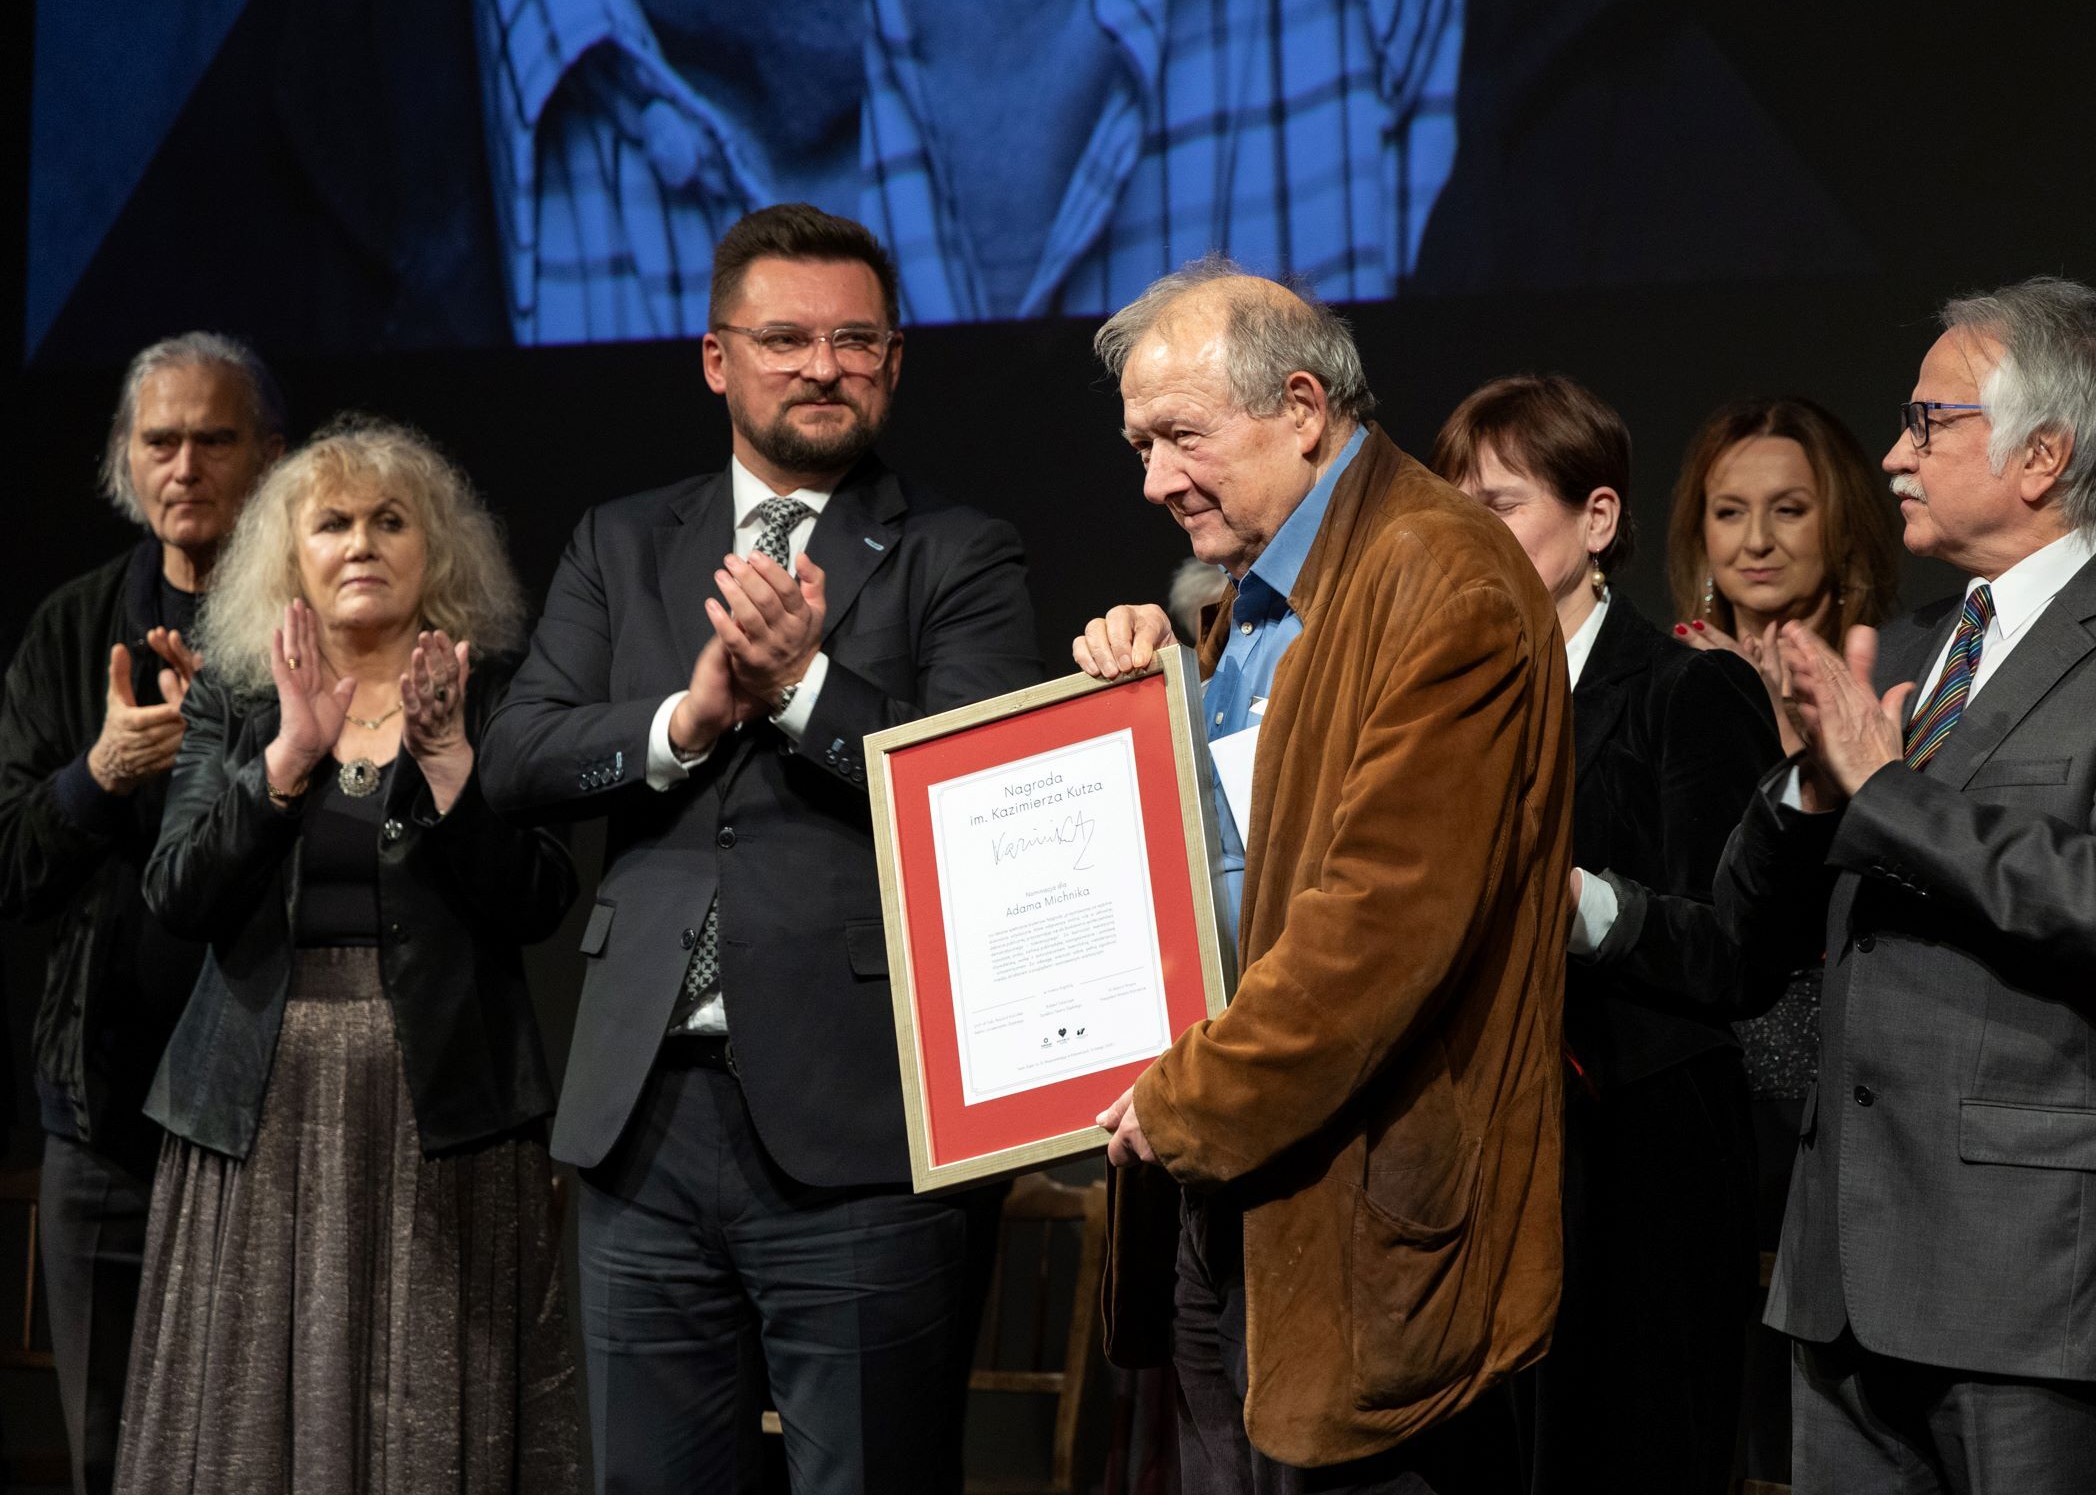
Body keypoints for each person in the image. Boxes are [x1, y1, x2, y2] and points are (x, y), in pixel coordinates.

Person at [480, 202, 1041, 1491]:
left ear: (895, 361)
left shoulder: (958, 552)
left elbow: (981, 787)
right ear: (716, 359)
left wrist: (800, 689)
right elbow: (517, 757)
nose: (822, 365)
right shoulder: (624, 542)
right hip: (645, 1115)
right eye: (785, 337)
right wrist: (687, 719)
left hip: (862, 1127)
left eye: (856, 339)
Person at [1713, 276, 2096, 1492]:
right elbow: (1749, 932)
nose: (1896, 455)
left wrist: (1886, 789)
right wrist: (1811, 788)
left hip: (2027, 1272)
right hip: (1840, 1264)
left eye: (1928, 422)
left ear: (2042, 455)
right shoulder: (1901, 650)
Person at [1072, 259, 1573, 1492]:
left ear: (1302, 406)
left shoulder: (1438, 574)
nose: (1153, 480)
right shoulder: (1256, 591)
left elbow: (1377, 930)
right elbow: (1242, 859)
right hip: (1232, 1194)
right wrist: (1145, 701)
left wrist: (1186, 1101)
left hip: (1357, 1216)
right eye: (1139, 445)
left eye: (1180, 436)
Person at [121, 415, 579, 1491]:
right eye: (333, 523)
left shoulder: (498, 693)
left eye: (389, 521)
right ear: (294, 554)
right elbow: (176, 894)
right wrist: (283, 762)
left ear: (438, 551)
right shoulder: (238, 700)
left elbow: (539, 899)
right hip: (257, 1106)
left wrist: (453, 764)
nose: (361, 542)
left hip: (444, 1111)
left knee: (427, 1417)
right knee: (248, 1431)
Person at [1432, 374, 1781, 1494]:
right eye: (1456, 509)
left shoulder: (1687, 691)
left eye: (1501, 504)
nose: (1469, 535)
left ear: (1596, 521)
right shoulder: (1439, 701)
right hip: (1483, 1152)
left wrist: (1580, 904)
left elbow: (1736, 944)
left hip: (1641, 1161)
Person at [0, 332, 283, 1494]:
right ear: (125, 458)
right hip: (105, 1125)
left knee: (269, 1452)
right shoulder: (73, 631)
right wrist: (98, 774)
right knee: (112, 1457)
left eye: (214, 439)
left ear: (268, 456)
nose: (185, 465)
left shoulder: (311, 625)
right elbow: (11, 867)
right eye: (159, 441)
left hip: (275, 1122)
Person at [1663, 394, 1900, 1481]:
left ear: (1841, 527)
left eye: (1788, 510)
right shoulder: (1667, 686)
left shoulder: (1900, 683)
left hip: (1852, 1091)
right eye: (1729, 512)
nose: (1755, 540)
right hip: (1708, 1096)